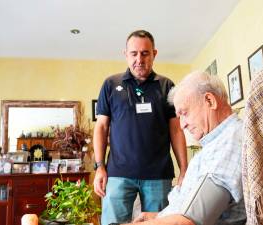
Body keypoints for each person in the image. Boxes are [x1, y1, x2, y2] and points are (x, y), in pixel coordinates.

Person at [117, 71, 247, 225]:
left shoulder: (229, 143)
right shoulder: (217, 142)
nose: (182, 125)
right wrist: (159, 216)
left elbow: (189, 222)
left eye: (184, 113)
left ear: (210, 101)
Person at [93, 30, 188, 225]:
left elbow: (176, 130)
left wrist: (184, 169)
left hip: (158, 175)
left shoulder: (167, 85)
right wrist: (100, 167)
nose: (139, 59)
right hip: (118, 173)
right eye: (134, 53)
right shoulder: (111, 85)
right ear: (125, 54)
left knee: (160, 223)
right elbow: (101, 127)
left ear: (154, 53)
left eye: (145, 53)